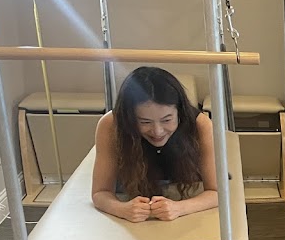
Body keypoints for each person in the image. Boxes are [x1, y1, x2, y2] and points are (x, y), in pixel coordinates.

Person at [92, 66, 218, 223]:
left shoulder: (201, 125)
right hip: (130, 194)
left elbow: (216, 192)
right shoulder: (110, 124)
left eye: (167, 120)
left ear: (180, 112)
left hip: (185, 194)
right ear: (129, 118)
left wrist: (179, 208)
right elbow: (100, 192)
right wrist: (122, 209)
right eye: (145, 122)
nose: (157, 131)